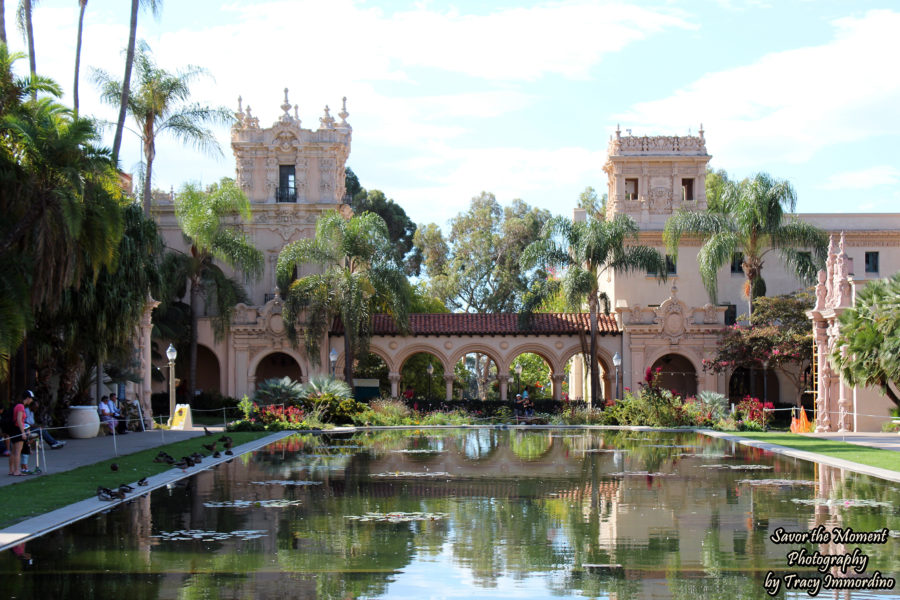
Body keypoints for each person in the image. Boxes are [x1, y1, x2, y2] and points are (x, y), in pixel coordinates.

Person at [3, 390, 34, 476]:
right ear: (27, 398)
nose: (31, 400)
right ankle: (17, 471)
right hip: (17, 430)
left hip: (13, 430)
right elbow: (19, 420)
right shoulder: (21, 406)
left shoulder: (16, 405)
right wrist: (23, 432)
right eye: (31, 399)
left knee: (13, 451)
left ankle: (11, 470)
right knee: (17, 452)